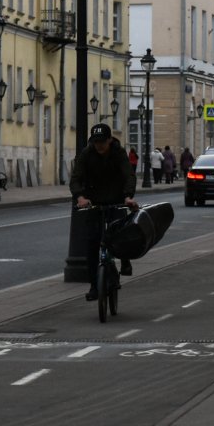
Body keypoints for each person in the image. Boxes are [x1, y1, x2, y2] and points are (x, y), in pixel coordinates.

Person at [70, 124, 137, 301]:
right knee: (92, 245)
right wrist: (80, 197)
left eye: (102, 142)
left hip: (116, 200)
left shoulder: (118, 153)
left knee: (121, 234)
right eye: (95, 142)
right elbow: (76, 178)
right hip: (94, 203)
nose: (99, 145)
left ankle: (124, 260)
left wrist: (128, 197)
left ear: (109, 140)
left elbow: (128, 175)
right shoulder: (87, 154)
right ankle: (94, 286)